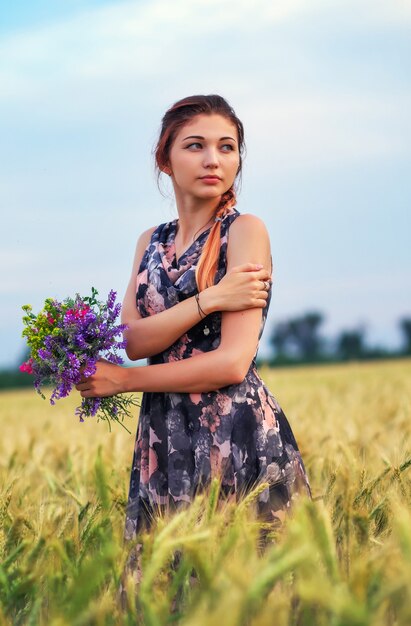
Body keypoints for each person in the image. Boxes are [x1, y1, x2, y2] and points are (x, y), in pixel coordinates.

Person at [76, 94, 312, 571]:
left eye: (227, 147)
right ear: (165, 159)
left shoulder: (245, 231)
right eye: (195, 146)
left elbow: (231, 362)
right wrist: (211, 299)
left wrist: (123, 380)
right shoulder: (150, 241)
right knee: (166, 588)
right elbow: (134, 341)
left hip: (235, 431)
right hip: (163, 438)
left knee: (245, 589)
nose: (213, 160)